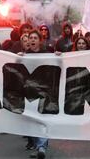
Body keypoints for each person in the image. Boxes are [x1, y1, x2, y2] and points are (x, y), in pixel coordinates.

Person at [18, 30, 61, 159]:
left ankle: (42, 146)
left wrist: (58, 57)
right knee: (33, 120)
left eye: (35, 38)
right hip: (30, 93)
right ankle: (38, 146)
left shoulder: (48, 54)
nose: (32, 40)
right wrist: (18, 58)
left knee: (42, 119)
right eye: (30, 38)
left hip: (45, 92)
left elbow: (58, 67)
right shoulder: (24, 55)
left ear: (40, 40)